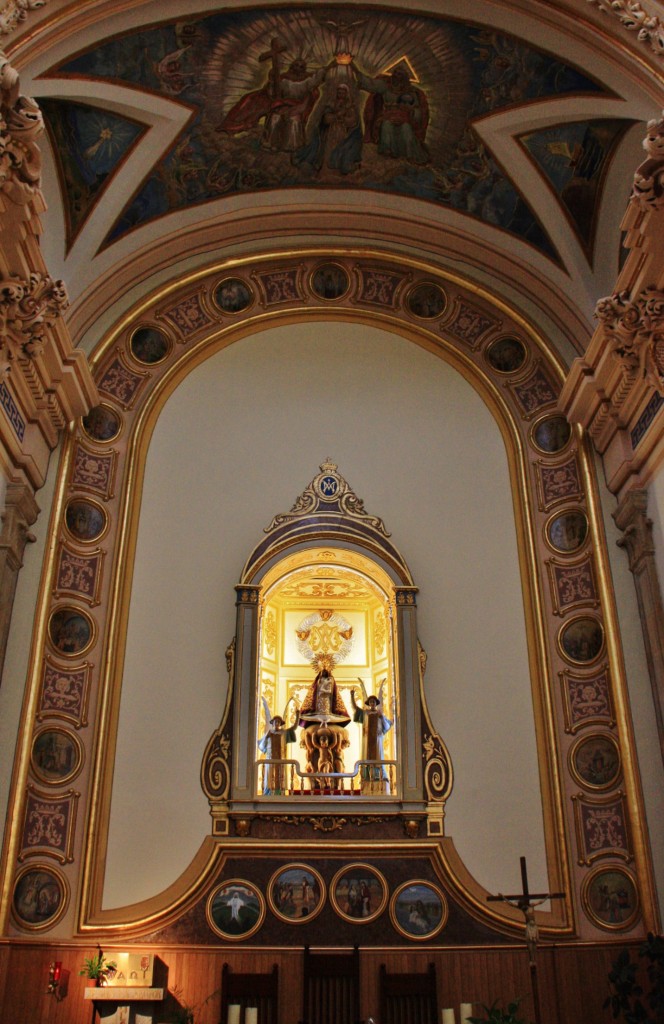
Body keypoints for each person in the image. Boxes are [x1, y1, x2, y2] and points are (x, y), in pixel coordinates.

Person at [352, 64, 429, 164]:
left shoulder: (412, 92)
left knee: (406, 129)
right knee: (386, 126)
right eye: (396, 74)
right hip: (387, 117)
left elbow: (419, 113)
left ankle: (409, 155)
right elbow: (370, 84)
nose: (398, 77)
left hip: (405, 119)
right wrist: (355, 68)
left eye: (400, 75)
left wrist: (411, 111)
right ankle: (386, 154)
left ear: (405, 77)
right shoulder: (386, 87)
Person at [298, 667, 350, 776]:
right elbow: (314, 742)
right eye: (322, 674)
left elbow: (335, 742)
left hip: (328, 700)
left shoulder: (330, 681)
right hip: (320, 700)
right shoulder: (319, 681)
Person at [351, 678, 393, 792]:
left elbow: (387, 726)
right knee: (366, 756)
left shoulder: (379, 714)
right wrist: (352, 696)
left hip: (377, 739)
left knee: (379, 756)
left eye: (374, 701)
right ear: (368, 703)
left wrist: (381, 717)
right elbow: (355, 709)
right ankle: (367, 777)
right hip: (367, 740)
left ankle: (379, 776)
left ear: (376, 703)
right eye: (370, 702)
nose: (372, 703)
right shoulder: (365, 713)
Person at [257, 697, 296, 794]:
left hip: (281, 759)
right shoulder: (269, 733)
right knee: (269, 778)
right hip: (270, 759)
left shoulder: (283, 733)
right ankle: (268, 793)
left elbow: (294, 727)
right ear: (273, 723)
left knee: (280, 778)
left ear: (280, 723)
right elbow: (262, 745)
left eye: (279, 722)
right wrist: (267, 737)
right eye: (275, 721)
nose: (277, 723)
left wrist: (298, 715)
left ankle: (280, 793)